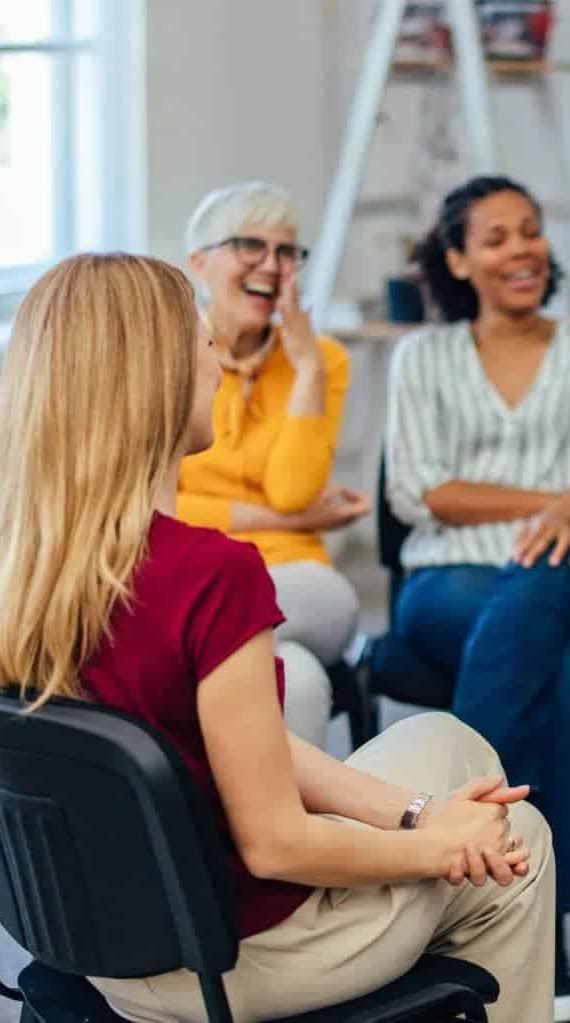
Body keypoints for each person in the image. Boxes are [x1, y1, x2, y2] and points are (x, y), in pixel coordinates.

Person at [0, 253, 553, 1023]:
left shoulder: (20, 566)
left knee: (445, 741)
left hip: (97, 942)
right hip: (236, 955)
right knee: (519, 840)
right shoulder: (212, 573)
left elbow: (238, 745)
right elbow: (274, 845)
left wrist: (415, 816)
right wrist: (439, 849)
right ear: (156, 380)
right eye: (205, 350)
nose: (219, 372)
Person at [386, 175, 570, 1022]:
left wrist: (566, 513)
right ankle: (546, 939)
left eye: (530, 231)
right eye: (495, 237)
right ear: (458, 259)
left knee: (546, 578)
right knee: (552, 661)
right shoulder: (421, 357)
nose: (521, 249)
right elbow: (422, 491)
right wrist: (552, 503)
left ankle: (458, 858)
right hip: (447, 581)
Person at [179, 181, 366, 746]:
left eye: (287, 252)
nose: (273, 266)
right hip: (194, 572)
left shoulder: (323, 360)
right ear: (199, 262)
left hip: (297, 585)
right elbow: (152, 504)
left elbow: (290, 490)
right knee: (299, 680)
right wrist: (298, 522)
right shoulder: (168, 354)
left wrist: (306, 370)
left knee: (319, 614)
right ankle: (280, 833)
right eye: (250, 246)